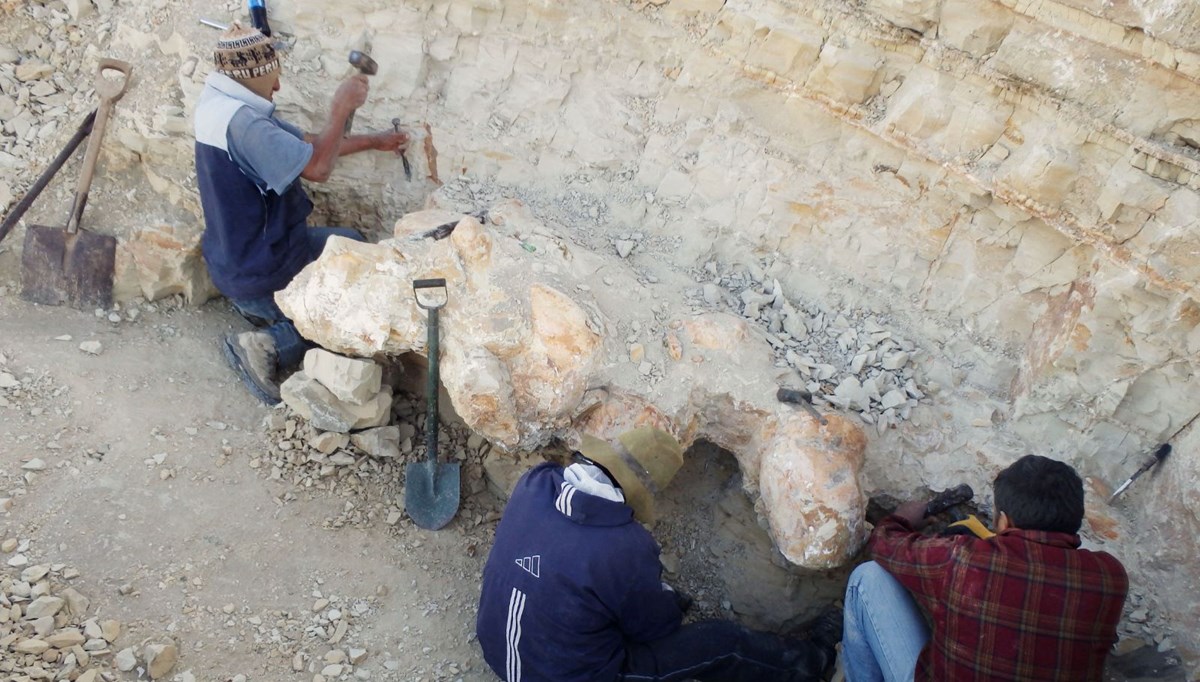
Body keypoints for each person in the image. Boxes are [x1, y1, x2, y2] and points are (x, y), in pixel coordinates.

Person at [476, 426, 841, 682]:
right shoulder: (625, 546)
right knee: (722, 642)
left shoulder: (535, 482)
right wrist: (667, 602)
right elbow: (656, 629)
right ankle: (815, 663)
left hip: (497, 651)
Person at [193, 24, 408, 404]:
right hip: (262, 271)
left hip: (236, 259)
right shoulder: (246, 126)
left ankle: (268, 316)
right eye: (273, 80)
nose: (277, 89)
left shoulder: (220, 105)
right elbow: (318, 169)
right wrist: (340, 108)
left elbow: (305, 146)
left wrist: (375, 140)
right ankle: (267, 342)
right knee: (348, 299)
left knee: (354, 247)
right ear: (252, 75)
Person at [842, 454, 1129, 681]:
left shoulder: (966, 559)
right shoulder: (1110, 578)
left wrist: (901, 518)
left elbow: (884, 544)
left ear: (1004, 522)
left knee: (867, 578)